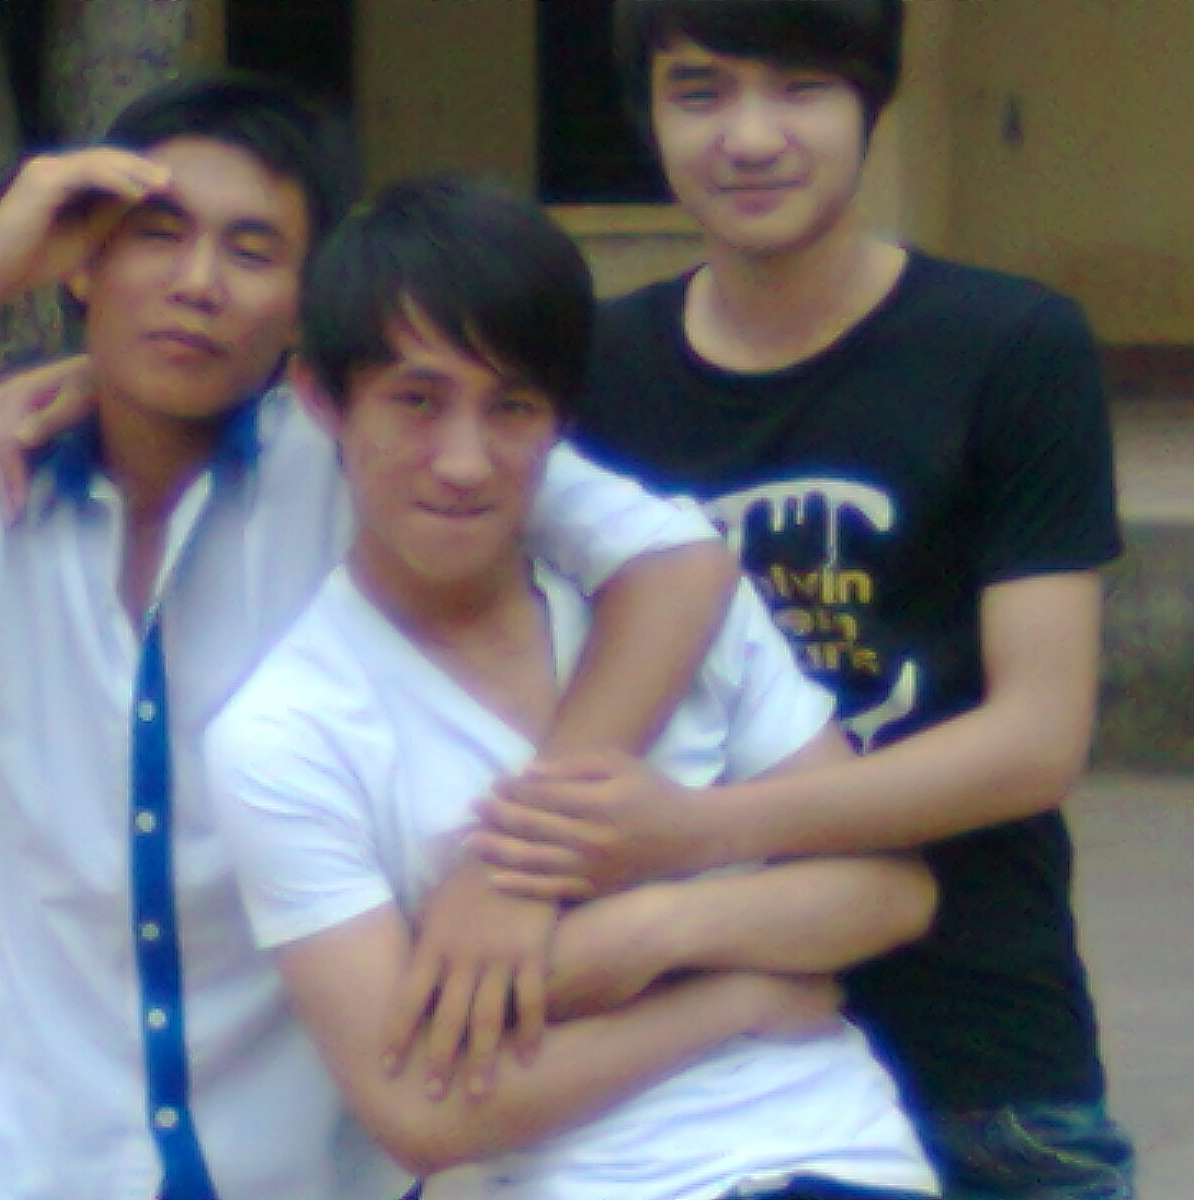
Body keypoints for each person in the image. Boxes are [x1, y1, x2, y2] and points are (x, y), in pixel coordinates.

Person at [0, 72, 745, 1200]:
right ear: (83, 264)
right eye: (157, 237)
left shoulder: (370, 457)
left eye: (253, 251)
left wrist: (525, 854)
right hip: (32, 1165)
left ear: (306, 304)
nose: (198, 284)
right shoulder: (1, 477)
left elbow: (674, 561)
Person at [463, 4, 1137, 1198]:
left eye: (800, 87)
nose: (750, 137)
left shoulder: (1009, 347)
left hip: (982, 1065)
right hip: (708, 1087)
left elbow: (1036, 740)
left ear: (871, 100)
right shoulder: (591, 378)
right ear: (648, 117)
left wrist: (695, 832)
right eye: (700, 92)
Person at [205, 172, 942, 1200]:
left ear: (559, 420)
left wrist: (640, 932)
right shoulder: (288, 731)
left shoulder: (682, 615)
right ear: (322, 400)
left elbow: (889, 893)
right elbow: (417, 1114)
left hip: (841, 1154)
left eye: (511, 408)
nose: (465, 462)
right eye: (416, 401)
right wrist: (730, 1000)